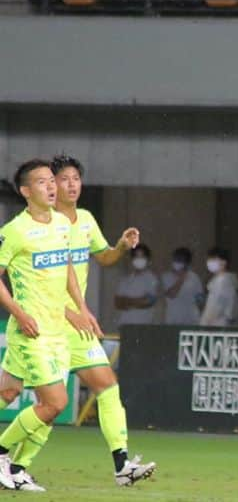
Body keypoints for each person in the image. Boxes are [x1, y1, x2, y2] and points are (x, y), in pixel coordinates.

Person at [0, 155, 156, 489]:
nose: (67, 185)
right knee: (26, 395)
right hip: (42, 326)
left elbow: (95, 260)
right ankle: (10, 462)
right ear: (35, 188)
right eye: (59, 179)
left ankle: (120, 463)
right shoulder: (20, 230)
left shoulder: (77, 221)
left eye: (74, 179)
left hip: (70, 327)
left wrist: (119, 249)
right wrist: (54, 312)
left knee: (101, 387)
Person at [0, 159, 95, 491]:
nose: (52, 186)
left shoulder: (61, 224)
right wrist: (20, 313)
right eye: (42, 182)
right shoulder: (14, 231)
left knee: (8, 392)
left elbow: (67, 269)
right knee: (55, 403)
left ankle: (19, 469)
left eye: (51, 181)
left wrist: (82, 308)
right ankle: (2, 455)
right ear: (26, 192)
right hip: (31, 331)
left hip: (59, 332)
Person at [114, 244, 161, 326]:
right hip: (124, 325)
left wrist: (127, 301)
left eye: (142, 257)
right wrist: (138, 301)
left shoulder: (152, 279)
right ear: (132, 259)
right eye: (136, 256)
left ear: (148, 260)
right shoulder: (125, 280)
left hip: (143, 326)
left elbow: (148, 302)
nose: (139, 259)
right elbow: (118, 303)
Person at [161, 247, 204, 326]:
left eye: (180, 260)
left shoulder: (195, 278)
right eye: (175, 259)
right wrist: (182, 278)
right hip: (173, 321)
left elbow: (200, 300)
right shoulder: (166, 277)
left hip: (192, 321)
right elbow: (171, 294)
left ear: (186, 263)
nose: (176, 262)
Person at [201, 247, 238, 327]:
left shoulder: (222, 282)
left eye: (214, 259)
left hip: (217, 326)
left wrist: (204, 324)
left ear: (224, 262)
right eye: (209, 259)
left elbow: (214, 309)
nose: (210, 262)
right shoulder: (217, 281)